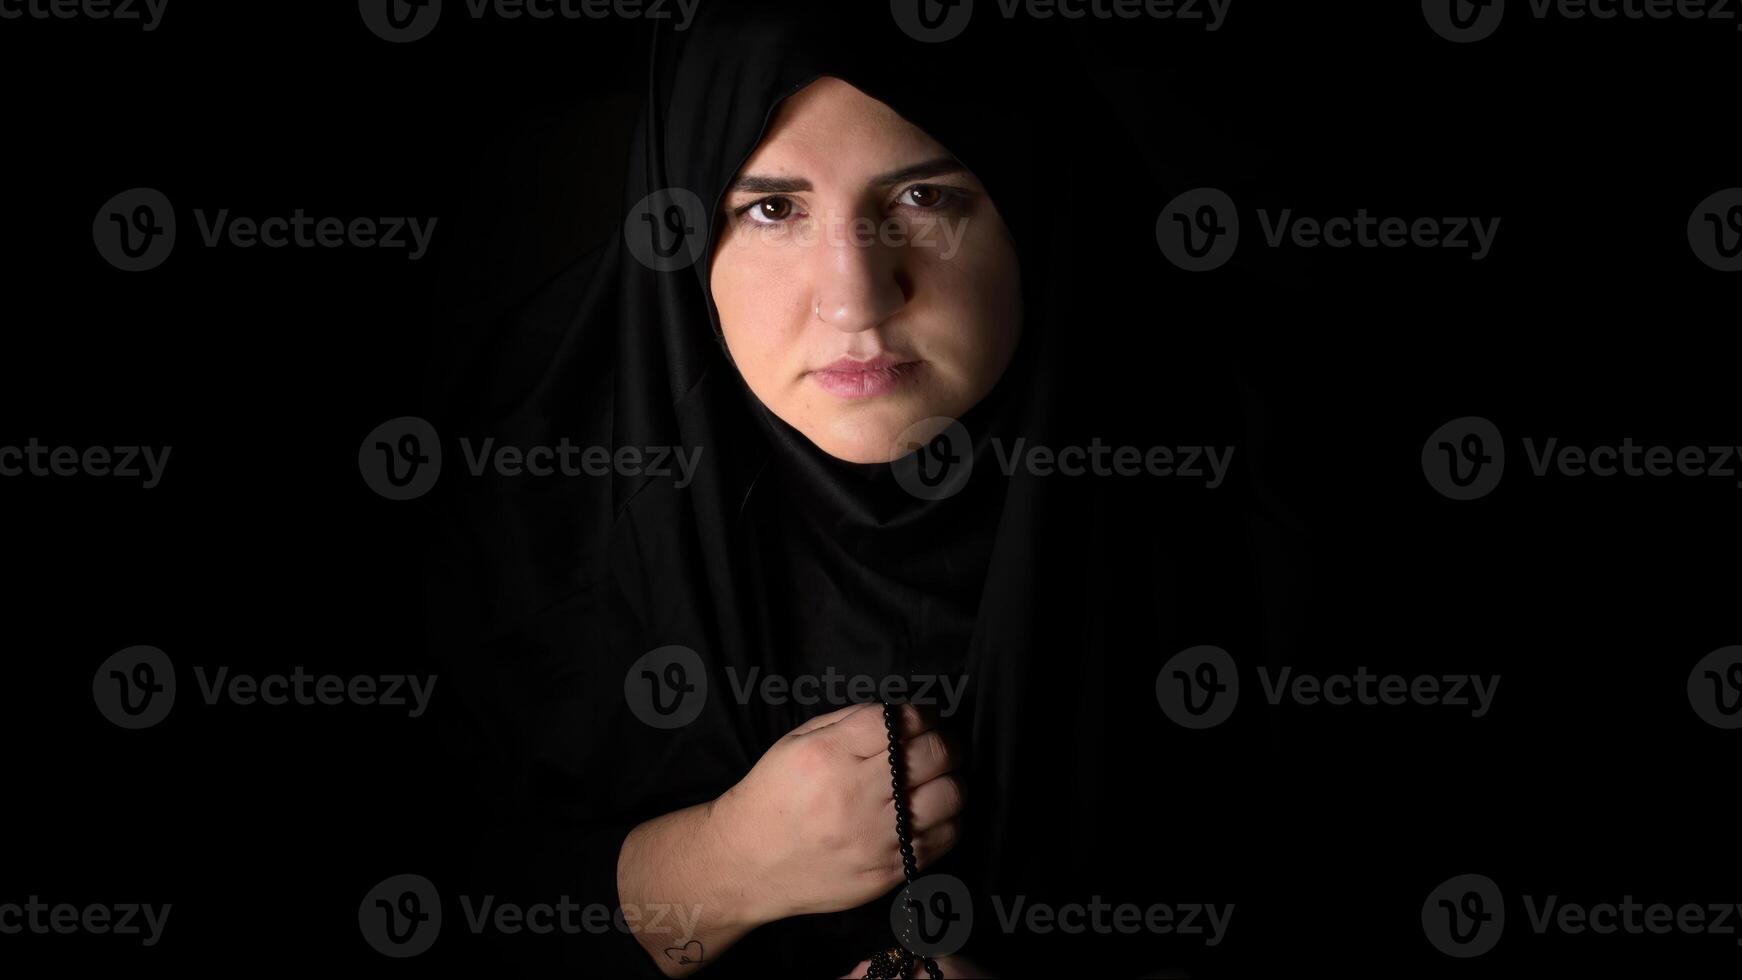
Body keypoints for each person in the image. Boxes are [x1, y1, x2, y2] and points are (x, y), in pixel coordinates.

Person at [430, 1, 1290, 975]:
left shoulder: (1256, 476)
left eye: (924, 198)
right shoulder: (535, 502)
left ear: (1036, 201)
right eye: (770, 209)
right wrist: (721, 866)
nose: (854, 297)